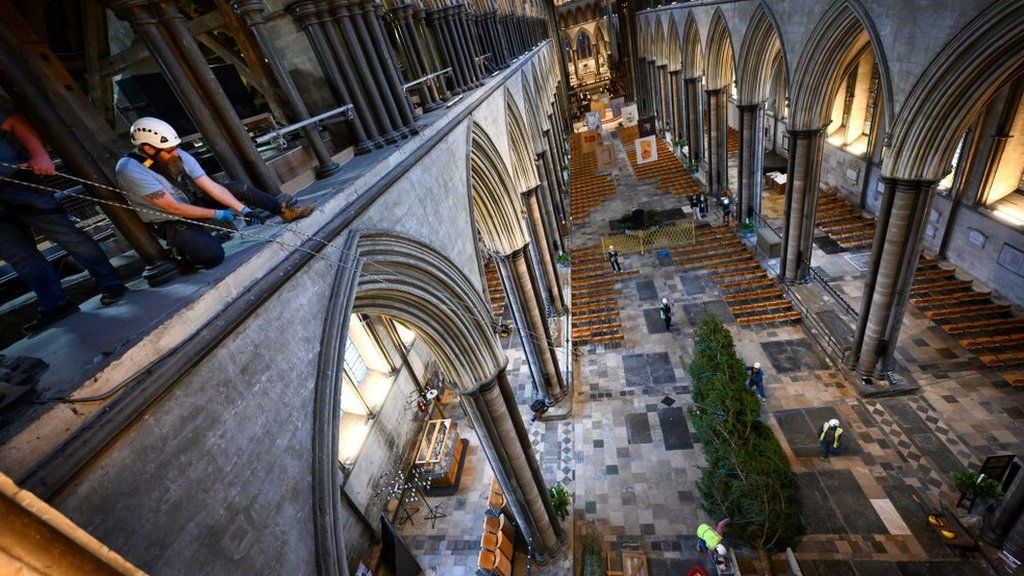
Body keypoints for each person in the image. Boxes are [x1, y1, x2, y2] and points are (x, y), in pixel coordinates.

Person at [115, 117, 314, 270]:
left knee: (238, 188)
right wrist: (216, 214)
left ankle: (284, 211)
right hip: (171, 219)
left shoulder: (177, 155)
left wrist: (243, 210)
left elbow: (210, 186)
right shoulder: (130, 170)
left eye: (175, 148)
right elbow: (172, 207)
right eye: (168, 150)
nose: (175, 153)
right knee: (213, 257)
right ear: (148, 149)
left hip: (192, 202)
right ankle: (182, 251)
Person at [0, 107, 128, 334]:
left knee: (65, 234)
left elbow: (14, 122)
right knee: (19, 255)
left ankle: (110, 283)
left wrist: (40, 155)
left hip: (17, 182)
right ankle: (55, 305)